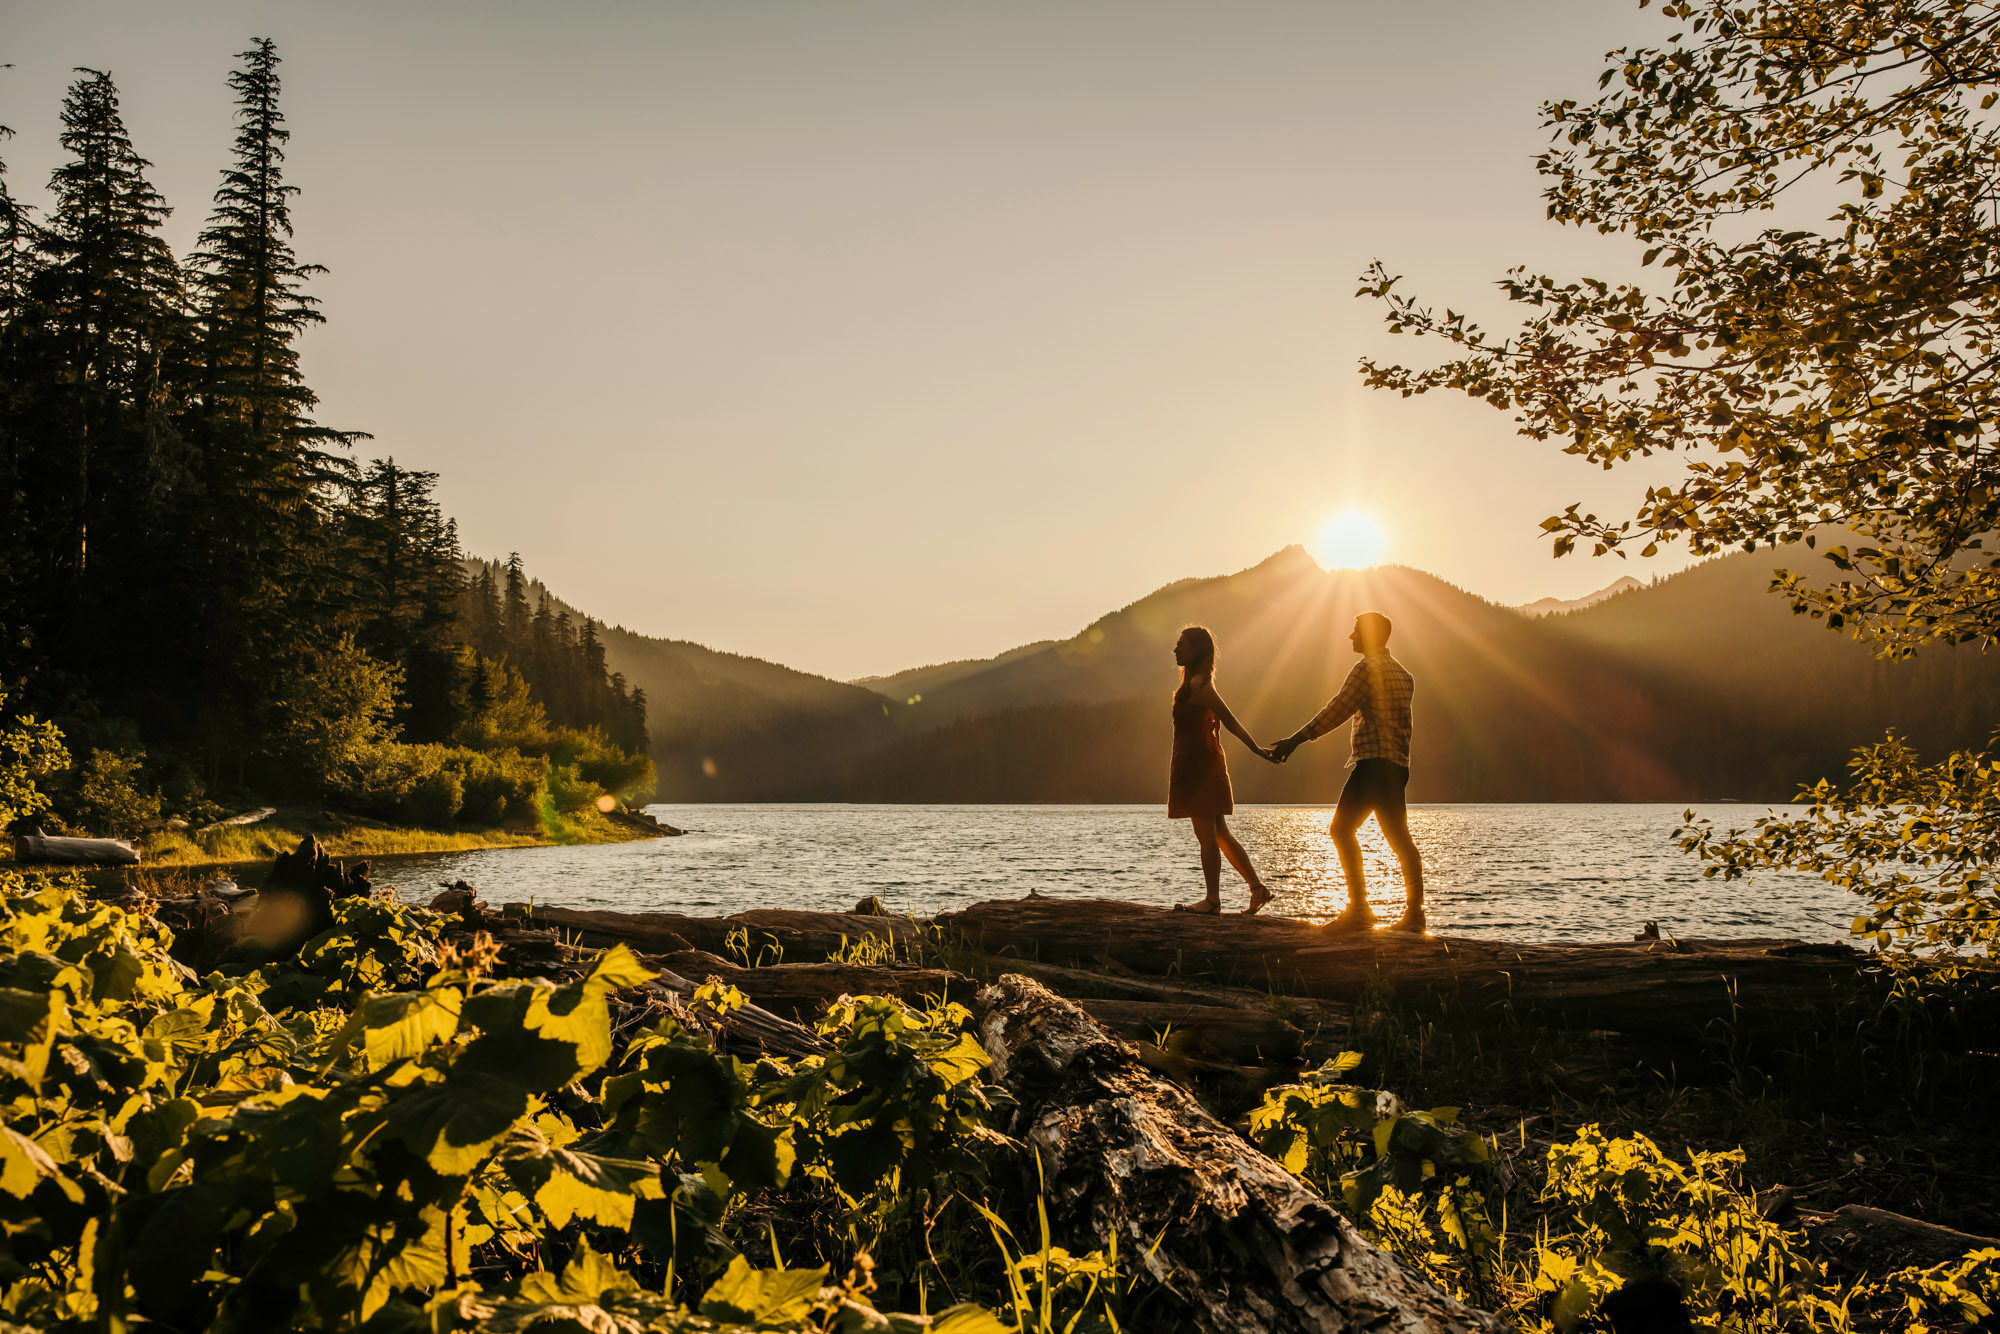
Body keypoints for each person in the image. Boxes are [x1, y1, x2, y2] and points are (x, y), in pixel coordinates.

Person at [1271, 611, 1425, 934]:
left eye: (1355, 632)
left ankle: (1359, 910)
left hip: (1372, 765)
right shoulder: (1405, 676)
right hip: (1397, 767)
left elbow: (1336, 711)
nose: (1350, 637)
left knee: (1341, 831)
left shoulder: (1365, 670)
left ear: (1368, 635)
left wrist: (1294, 741)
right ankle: (1415, 915)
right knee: (1400, 840)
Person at [1168, 625, 1276, 915]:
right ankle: (1257, 889)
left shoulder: (1199, 686)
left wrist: (1256, 750)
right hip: (1197, 764)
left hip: (1201, 768)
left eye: (1182, 645)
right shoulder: (1194, 683)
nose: (1175, 649)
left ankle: (1213, 901)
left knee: (1208, 835)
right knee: (1218, 834)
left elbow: (1229, 719)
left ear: (1197, 650)